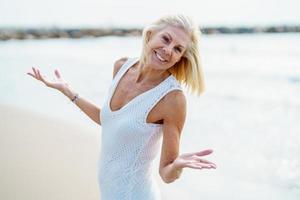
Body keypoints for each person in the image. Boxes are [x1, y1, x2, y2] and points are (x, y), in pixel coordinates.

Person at [27, 14, 217, 200]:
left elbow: (166, 173)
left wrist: (177, 167)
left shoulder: (172, 99)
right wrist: (67, 91)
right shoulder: (121, 67)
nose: (168, 50)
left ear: (180, 58)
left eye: (177, 49)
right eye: (165, 39)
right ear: (150, 35)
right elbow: (110, 121)